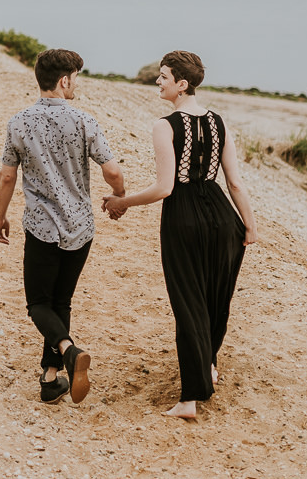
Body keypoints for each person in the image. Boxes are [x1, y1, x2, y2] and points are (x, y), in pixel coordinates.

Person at [101, 50, 259, 419]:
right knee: (214, 298)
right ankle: (208, 366)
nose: (159, 82)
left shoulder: (165, 125)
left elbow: (164, 188)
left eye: (164, 76)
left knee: (188, 304)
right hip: (221, 217)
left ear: (181, 84)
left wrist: (122, 203)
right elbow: (234, 182)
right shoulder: (220, 122)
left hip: (184, 219)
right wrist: (249, 225)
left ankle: (189, 399)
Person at [0, 48, 126, 405]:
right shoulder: (85, 121)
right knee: (60, 300)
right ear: (64, 80)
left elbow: (8, 176)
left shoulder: (18, 123)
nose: (76, 85)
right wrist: (119, 195)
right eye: (75, 79)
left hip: (41, 226)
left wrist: (0, 216)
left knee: (38, 303)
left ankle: (67, 351)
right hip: (80, 226)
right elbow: (112, 170)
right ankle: (51, 378)